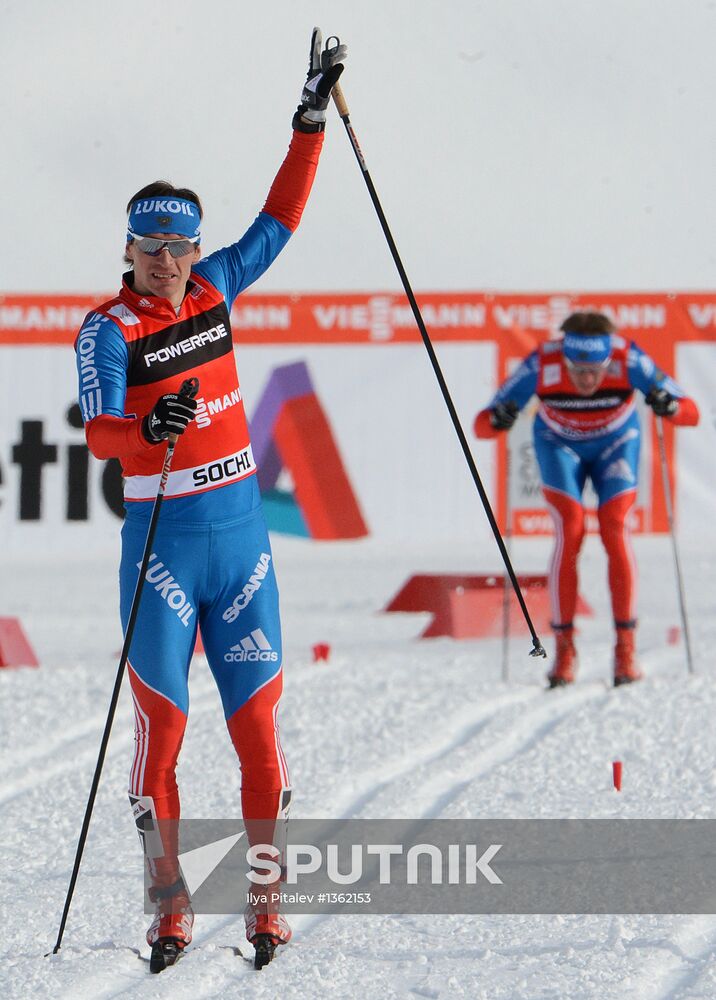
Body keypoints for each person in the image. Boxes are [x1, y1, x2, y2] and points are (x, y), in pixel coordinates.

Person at [74, 29, 347, 971]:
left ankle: (267, 902)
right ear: (130, 249)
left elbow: (279, 221)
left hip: (240, 541)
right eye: (153, 248)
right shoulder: (107, 326)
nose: (171, 261)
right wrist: (144, 432)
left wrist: (309, 120)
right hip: (162, 551)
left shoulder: (217, 288)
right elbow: (97, 431)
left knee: (258, 727)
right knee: (164, 735)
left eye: (182, 245)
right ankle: (168, 905)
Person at [473, 311, 699, 689]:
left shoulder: (630, 359)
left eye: (596, 370)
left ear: (609, 360)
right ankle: (564, 649)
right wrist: (500, 418)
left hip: (616, 442)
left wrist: (669, 406)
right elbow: (481, 426)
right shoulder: (541, 362)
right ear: (564, 358)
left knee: (614, 527)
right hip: (559, 443)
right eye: (577, 370)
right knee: (570, 528)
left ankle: (625, 647)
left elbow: (691, 414)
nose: (587, 380)